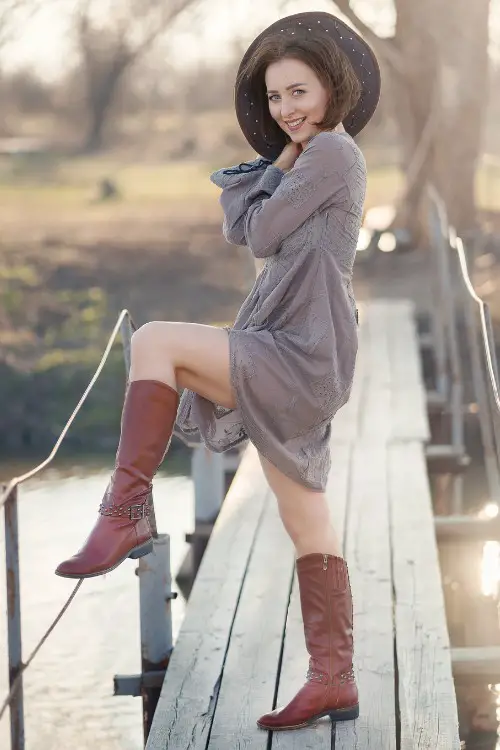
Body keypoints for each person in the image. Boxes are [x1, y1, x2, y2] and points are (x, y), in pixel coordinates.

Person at [55, 11, 380, 733]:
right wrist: (280, 161)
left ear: (331, 86)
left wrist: (286, 162)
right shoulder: (311, 156)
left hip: (298, 350)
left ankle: (127, 508)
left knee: (156, 344)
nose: (286, 109)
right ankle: (334, 678)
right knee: (310, 525)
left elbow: (258, 230)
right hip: (303, 350)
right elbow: (241, 228)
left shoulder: (331, 153)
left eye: (298, 91)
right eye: (273, 99)